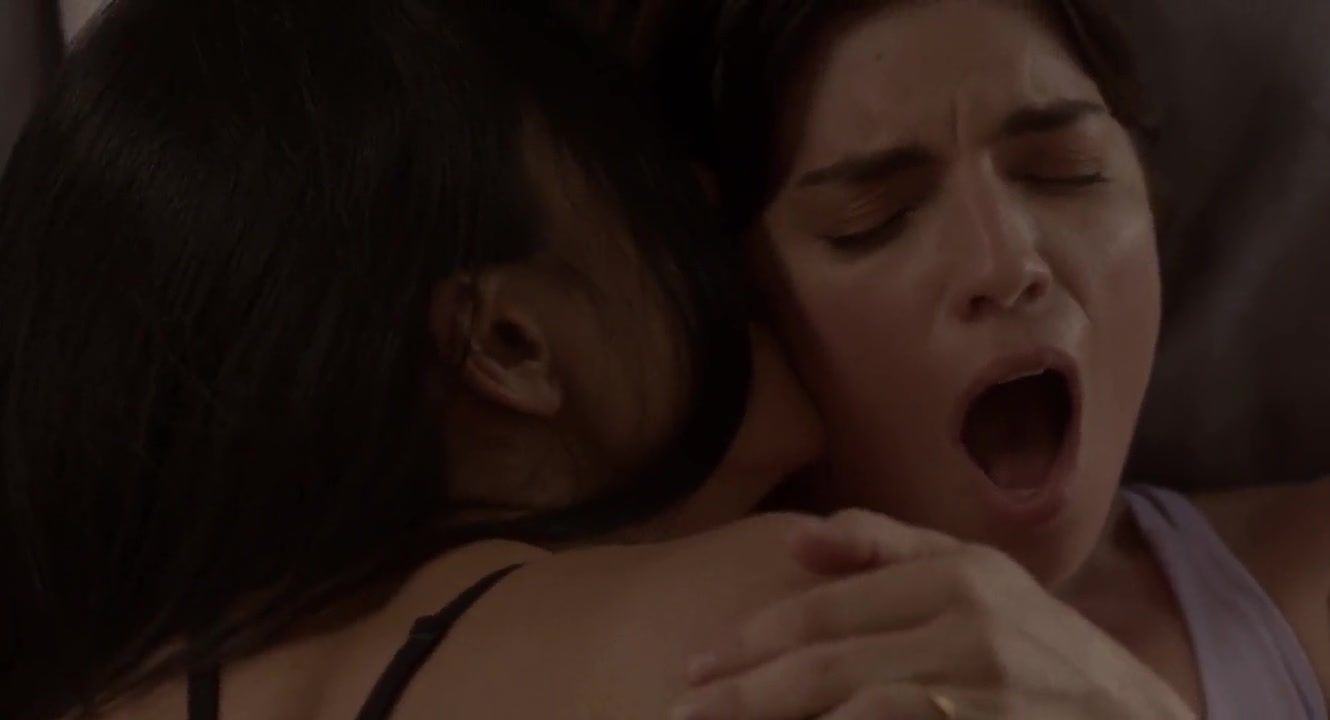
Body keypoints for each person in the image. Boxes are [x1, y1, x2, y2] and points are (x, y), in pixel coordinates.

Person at [0, 0, 1204, 719]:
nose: (711, 229)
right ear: (509, 345)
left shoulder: (116, 687)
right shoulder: (779, 623)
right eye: (645, 199)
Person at [638, 1, 1330, 718]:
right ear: (746, 300)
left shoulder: (1306, 574)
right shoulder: (692, 660)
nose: (1007, 264)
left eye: (1066, 170)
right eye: (872, 218)